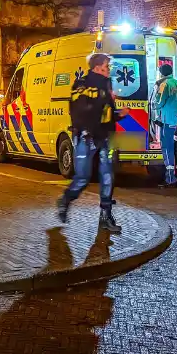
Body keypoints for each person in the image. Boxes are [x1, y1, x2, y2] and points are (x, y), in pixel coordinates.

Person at [57, 52, 128, 233]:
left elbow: (104, 113)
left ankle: (104, 215)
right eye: (106, 67)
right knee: (89, 177)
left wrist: (118, 114)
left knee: (102, 177)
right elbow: (85, 110)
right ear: (97, 68)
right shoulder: (90, 85)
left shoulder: (96, 84)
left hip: (98, 137)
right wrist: (116, 110)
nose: (109, 70)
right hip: (90, 137)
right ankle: (67, 201)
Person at [149, 64, 177, 187]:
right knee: (174, 149)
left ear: (161, 73)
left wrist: (152, 105)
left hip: (167, 122)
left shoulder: (164, 84)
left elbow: (159, 102)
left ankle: (170, 179)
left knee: (167, 149)